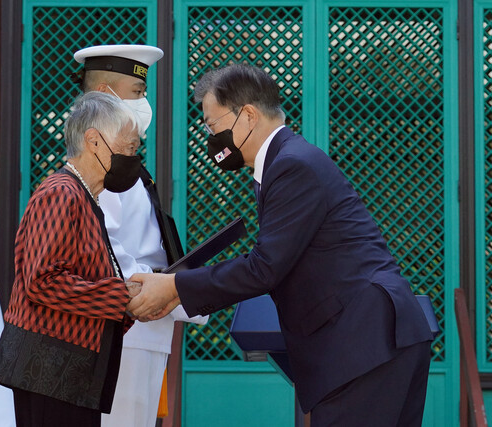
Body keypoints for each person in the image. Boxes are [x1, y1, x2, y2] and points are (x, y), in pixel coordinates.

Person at [127, 64, 434, 427]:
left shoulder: (292, 166)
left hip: (365, 347)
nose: (211, 138)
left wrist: (175, 287)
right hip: (375, 345)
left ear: (248, 117)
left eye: (212, 126)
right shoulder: (286, 161)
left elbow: (265, 267)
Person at [0, 91, 143, 427]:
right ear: (94, 141)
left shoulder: (85, 197)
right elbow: (41, 282)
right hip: (49, 371)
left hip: (69, 373)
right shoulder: (61, 193)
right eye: (130, 147)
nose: (135, 156)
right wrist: (122, 296)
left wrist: (130, 303)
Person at [73, 44, 208, 427]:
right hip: (124, 326)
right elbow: (107, 251)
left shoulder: (125, 167)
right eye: (137, 93)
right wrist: (168, 293)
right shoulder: (103, 169)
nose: (144, 103)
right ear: (103, 94)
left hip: (143, 329)